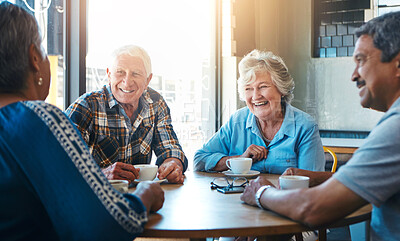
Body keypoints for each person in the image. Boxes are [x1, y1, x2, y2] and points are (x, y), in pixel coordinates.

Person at [0, 2, 164, 240]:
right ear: (34, 58)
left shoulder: (155, 103)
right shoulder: (40, 120)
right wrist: (145, 194)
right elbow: (106, 226)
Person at [240, 11, 400, 241]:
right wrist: (318, 178)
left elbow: (313, 209)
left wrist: (261, 192)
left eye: (362, 60)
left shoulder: (395, 128)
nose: (354, 75)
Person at [65, 45, 188, 184]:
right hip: (94, 198)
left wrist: (173, 163)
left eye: (136, 73)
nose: (127, 81)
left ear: (148, 80)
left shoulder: (156, 102)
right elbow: (59, 162)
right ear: (109, 75)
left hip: (142, 197)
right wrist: (100, 175)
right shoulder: (86, 106)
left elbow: (170, 148)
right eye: (120, 72)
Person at [193, 50, 325, 174]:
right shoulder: (237, 121)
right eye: (248, 89)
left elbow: (311, 183)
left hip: (285, 197)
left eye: (263, 87)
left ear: (281, 89)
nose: (255, 96)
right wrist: (240, 159)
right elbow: (199, 160)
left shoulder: (304, 126)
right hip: (238, 197)